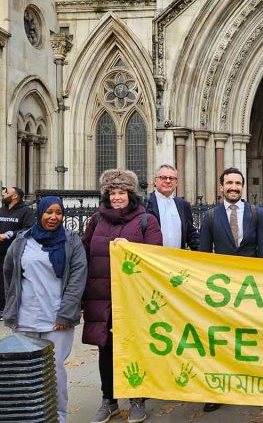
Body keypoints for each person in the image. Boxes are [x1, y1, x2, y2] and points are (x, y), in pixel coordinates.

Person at [82, 169, 163, 423]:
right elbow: (83, 256)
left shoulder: (146, 221)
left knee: (135, 346)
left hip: (134, 296)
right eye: (113, 193)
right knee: (105, 348)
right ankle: (109, 400)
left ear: (131, 194)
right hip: (101, 295)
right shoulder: (95, 221)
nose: (117, 197)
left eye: (122, 192)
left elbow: (155, 259)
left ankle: (138, 399)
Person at [3, 196, 88, 423]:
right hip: (25, 317)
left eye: (58, 212)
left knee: (54, 370)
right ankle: (29, 414)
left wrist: (66, 314)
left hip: (56, 319)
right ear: (40, 213)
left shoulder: (71, 242)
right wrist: (12, 306)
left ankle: (58, 415)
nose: (53, 217)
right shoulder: (22, 240)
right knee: (25, 371)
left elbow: (77, 280)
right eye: (48, 212)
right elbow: (9, 273)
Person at [199, 167, 263, 412]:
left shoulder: (257, 214)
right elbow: (203, 256)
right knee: (221, 339)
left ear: (242, 186)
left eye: (237, 183)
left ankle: (261, 389)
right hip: (222, 290)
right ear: (221, 187)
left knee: (256, 339)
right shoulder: (209, 217)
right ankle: (217, 390)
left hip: (252, 289)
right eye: (229, 183)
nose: (233, 187)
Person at [0, 186, 35, 323]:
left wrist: (9, 235)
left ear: (15, 196)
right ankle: (1, 309)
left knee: (16, 282)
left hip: (17, 253)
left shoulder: (26, 211)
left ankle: (18, 310)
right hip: (0, 253)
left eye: (7, 193)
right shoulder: (2, 210)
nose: (4, 194)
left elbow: (29, 229)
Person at [146, 164, 200, 250]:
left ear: (176, 183)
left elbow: (190, 233)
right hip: (152, 259)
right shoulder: (145, 203)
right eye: (163, 177)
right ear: (155, 181)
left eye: (171, 178)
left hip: (176, 260)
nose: (168, 181)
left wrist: (204, 254)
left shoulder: (183, 205)